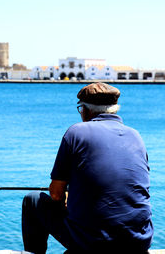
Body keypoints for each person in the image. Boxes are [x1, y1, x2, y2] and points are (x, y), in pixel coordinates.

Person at [22, 82, 153, 254]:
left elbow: (55, 194)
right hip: (139, 241)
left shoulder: (76, 133)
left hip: (96, 244)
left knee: (33, 200)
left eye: (80, 109)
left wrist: (67, 197)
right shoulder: (135, 135)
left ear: (85, 110)